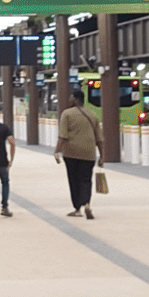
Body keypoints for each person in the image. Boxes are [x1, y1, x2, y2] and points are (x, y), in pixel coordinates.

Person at [54, 88, 102, 219]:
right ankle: (87, 204)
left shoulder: (67, 114)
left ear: (75, 99)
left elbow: (63, 136)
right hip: (89, 153)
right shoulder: (92, 114)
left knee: (74, 180)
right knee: (86, 180)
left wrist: (57, 151)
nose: (69, 99)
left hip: (71, 153)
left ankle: (77, 209)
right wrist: (102, 156)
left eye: (71, 97)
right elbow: (99, 138)